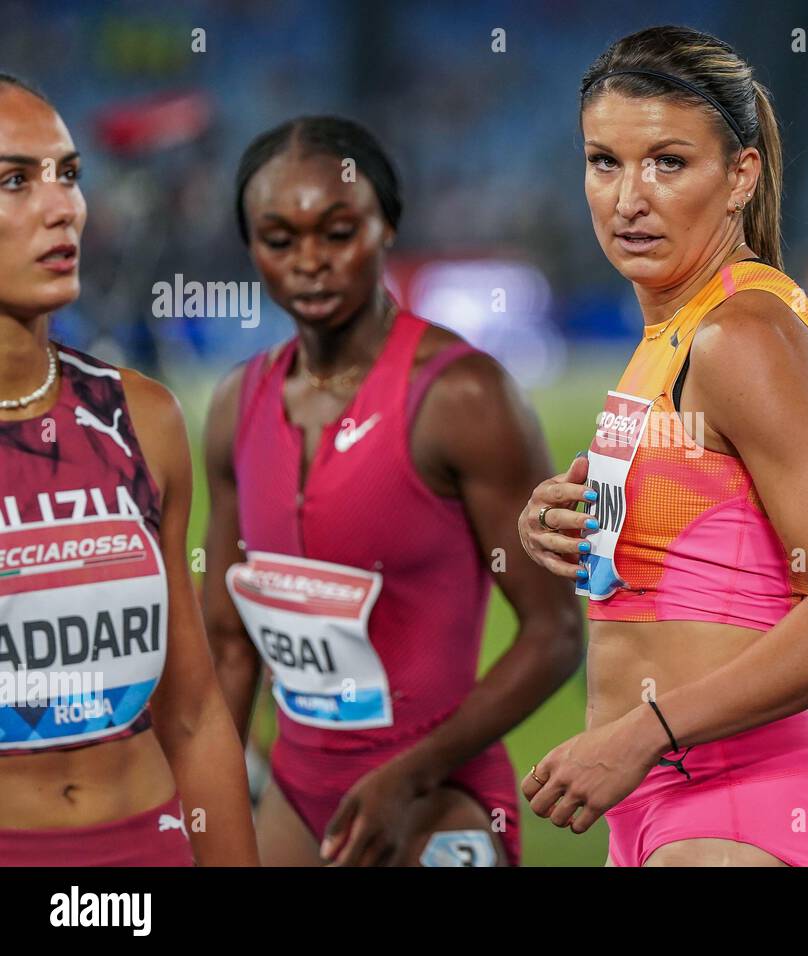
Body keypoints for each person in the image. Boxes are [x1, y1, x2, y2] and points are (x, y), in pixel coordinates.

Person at [518, 26, 808, 867]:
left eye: (668, 162)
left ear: (740, 175)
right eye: (604, 162)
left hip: (736, 813)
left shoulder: (742, 336)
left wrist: (637, 737)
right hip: (671, 814)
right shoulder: (678, 329)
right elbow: (726, 557)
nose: (629, 198)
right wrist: (571, 524)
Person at [202, 116, 583, 866]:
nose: (309, 262)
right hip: (295, 800)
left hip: (439, 795)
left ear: (387, 228)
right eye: (279, 241)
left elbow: (554, 634)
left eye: (338, 232)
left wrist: (412, 773)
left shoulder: (463, 396)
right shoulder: (234, 406)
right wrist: (204, 804)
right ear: (251, 249)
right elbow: (229, 642)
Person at [0, 74, 257, 866]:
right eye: (14, 180)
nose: (64, 207)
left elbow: (193, 713)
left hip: (147, 852)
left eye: (69, 175)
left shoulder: (142, 418)